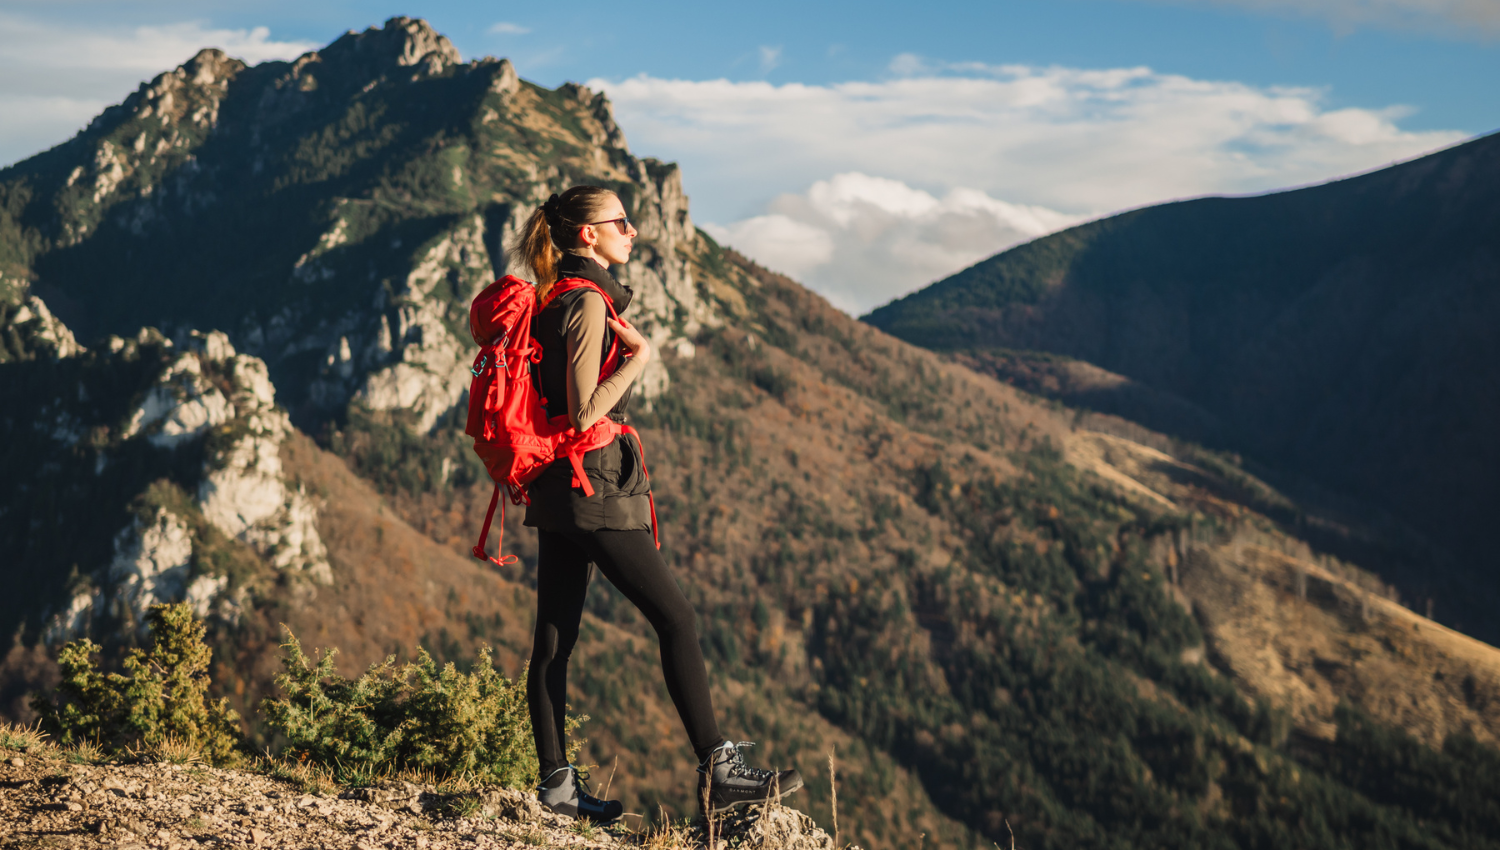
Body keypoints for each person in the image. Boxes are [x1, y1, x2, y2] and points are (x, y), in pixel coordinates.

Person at [511, 186, 802, 822]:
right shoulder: (586, 302)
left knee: (554, 643)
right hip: (591, 487)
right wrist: (640, 357)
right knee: (677, 620)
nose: (633, 229)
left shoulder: (553, 295)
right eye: (620, 221)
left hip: (557, 491)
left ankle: (557, 788)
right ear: (587, 235)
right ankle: (720, 772)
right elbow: (585, 409)